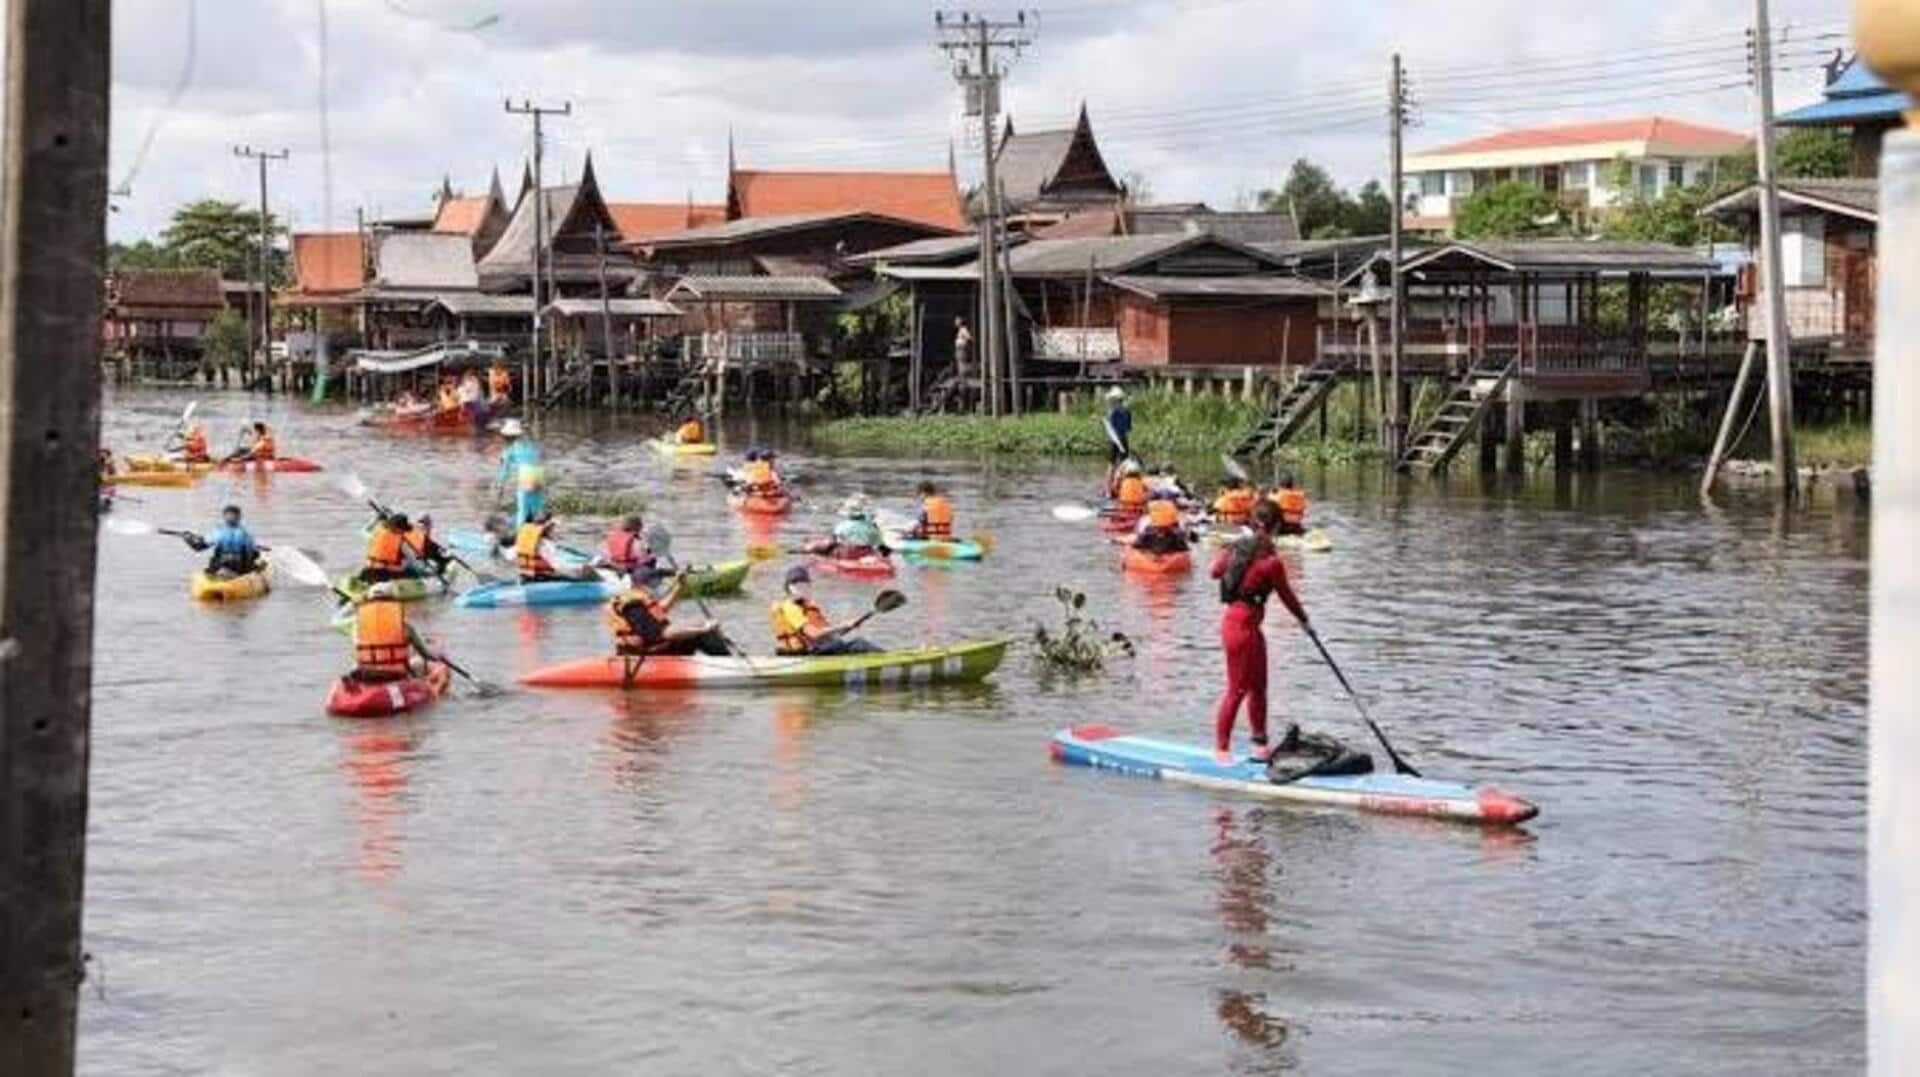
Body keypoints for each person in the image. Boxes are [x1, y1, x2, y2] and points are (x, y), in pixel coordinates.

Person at [1209, 500, 1309, 766]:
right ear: (1276, 527)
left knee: (1259, 688)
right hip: (1239, 628)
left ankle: (1260, 746)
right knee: (1237, 690)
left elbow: (1215, 571)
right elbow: (1287, 596)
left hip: (1247, 627)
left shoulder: (1239, 549)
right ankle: (1221, 750)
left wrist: (1235, 553)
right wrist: (1304, 620)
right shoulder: (1271, 562)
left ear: (1253, 523)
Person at [607, 573, 729, 657]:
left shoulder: (638, 599)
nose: (658, 584)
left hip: (653, 647)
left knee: (699, 625)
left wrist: (679, 586)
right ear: (644, 584)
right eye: (655, 582)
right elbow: (662, 634)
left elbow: (662, 608)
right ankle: (730, 664)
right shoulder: (633, 606)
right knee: (702, 634)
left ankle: (728, 661)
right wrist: (704, 629)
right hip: (644, 654)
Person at [770, 565, 879, 656]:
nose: (801, 587)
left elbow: (829, 635)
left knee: (840, 642)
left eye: (804, 584)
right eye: (796, 584)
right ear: (788, 588)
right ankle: (888, 662)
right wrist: (843, 624)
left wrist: (849, 626)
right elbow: (814, 634)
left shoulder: (808, 606)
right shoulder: (790, 607)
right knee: (859, 644)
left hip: (817, 649)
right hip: (807, 654)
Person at [349, 593, 437, 684]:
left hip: (367, 674)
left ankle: (360, 689)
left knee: (354, 666)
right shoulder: (404, 625)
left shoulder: (357, 627)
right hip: (396, 674)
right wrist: (436, 659)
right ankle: (418, 686)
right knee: (419, 661)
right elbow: (425, 653)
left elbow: (358, 648)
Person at [182, 504, 262, 577]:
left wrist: (188, 539)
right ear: (239, 517)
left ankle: (217, 574)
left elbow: (198, 547)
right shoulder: (246, 534)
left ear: (224, 517)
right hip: (240, 569)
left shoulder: (218, 532)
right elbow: (253, 554)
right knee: (255, 557)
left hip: (219, 567)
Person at [515, 511, 587, 583]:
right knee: (579, 580)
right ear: (547, 529)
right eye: (553, 529)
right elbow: (558, 564)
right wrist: (580, 568)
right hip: (541, 578)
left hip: (525, 577)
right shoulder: (544, 545)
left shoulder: (527, 537)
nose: (554, 531)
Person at [496, 419, 544, 527]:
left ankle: (520, 534)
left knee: (522, 508)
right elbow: (538, 456)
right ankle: (538, 532)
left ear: (506, 437)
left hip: (526, 475)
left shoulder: (509, 450)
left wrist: (500, 486)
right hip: (538, 474)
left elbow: (504, 470)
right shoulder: (532, 445)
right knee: (536, 508)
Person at [808, 495, 886, 560]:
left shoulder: (842, 526)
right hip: (866, 555)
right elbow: (879, 544)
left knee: (824, 547)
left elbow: (832, 541)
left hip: (847, 555)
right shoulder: (872, 527)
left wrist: (818, 547)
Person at [361, 512, 422, 583]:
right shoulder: (401, 543)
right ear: (399, 529)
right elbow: (412, 561)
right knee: (411, 570)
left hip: (368, 571)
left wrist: (375, 520)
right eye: (403, 529)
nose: (404, 531)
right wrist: (421, 570)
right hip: (384, 574)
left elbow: (363, 531)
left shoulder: (376, 534)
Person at [600, 514, 658, 581]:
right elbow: (643, 558)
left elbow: (606, 553)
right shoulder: (635, 540)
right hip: (628, 568)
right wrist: (651, 556)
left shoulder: (614, 535)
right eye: (641, 525)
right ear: (637, 527)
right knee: (652, 560)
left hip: (615, 564)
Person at [405, 513, 452, 578]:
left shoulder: (416, 527)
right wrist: (440, 548)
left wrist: (440, 547)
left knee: (435, 549)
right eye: (430, 524)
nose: (431, 526)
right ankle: (442, 566)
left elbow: (427, 541)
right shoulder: (423, 528)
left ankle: (442, 564)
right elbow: (425, 542)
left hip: (416, 552)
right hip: (420, 554)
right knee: (436, 553)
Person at [1270, 471, 1308, 537]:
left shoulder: (1278, 495)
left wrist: (1273, 491)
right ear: (1291, 483)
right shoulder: (1300, 494)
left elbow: (1269, 501)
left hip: (1282, 527)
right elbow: (1304, 509)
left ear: (1281, 483)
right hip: (1296, 526)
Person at [1104, 386, 1133, 464]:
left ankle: (1110, 476)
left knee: (1111, 463)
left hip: (1114, 440)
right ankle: (1121, 475)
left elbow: (1110, 427)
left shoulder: (1112, 412)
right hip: (1123, 439)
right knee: (1124, 463)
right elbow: (1128, 429)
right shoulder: (1127, 412)